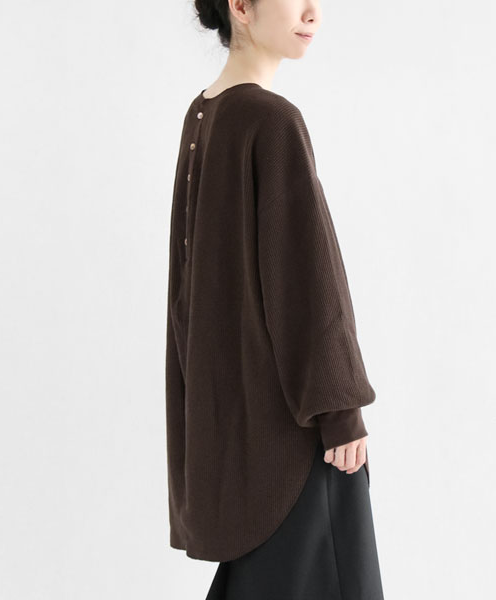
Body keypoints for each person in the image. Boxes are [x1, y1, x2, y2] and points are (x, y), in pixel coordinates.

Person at [165, 0, 384, 597]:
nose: (314, 12)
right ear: (241, 6)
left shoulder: (204, 116)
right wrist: (340, 411)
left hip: (242, 439)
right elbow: (305, 279)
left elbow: (190, 302)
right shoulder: (270, 119)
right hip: (295, 435)